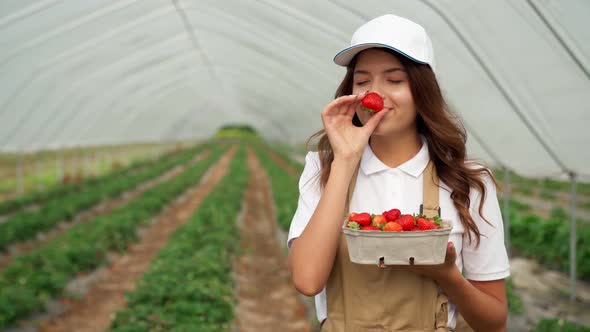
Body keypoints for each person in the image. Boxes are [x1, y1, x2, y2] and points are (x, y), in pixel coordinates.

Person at [287, 14, 510, 331]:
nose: (375, 95)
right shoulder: (322, 168)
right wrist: (346, 160)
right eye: (363, 81)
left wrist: (446, 275)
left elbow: (494, 322)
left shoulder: (467, 181)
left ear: (423, 91)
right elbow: (307, 280)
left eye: (395, 80)